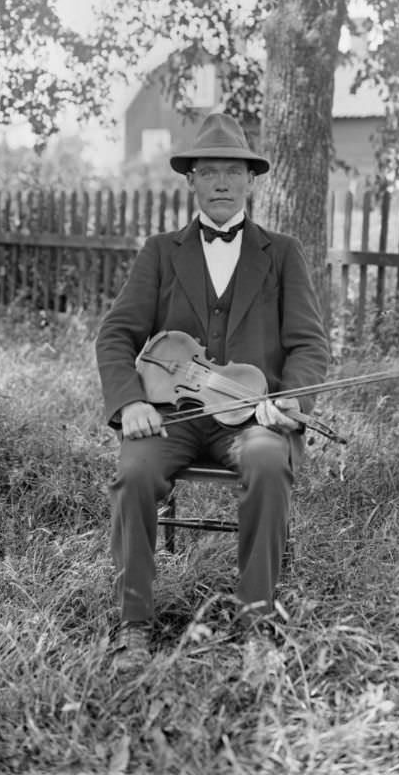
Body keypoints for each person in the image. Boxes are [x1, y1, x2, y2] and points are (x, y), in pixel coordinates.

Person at [96, 112, 329, 671]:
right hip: (172, 417)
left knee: (269, 462)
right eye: (209, 172)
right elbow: (116, 334)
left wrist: (291, 402)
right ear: (191, 181)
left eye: (233, 172)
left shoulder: (283, 251)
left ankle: (256, 622)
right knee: (133, 473)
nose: (221, 183)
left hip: (251, 418)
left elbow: (309, 346)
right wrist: (130, 402)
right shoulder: (160, 251)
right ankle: (133, 626)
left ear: (251, 181)